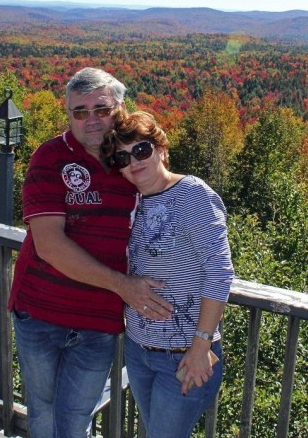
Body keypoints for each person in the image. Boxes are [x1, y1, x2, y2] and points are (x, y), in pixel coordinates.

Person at [8, 68, 173, 438]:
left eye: (101, 109)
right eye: (79, 112)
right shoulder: (50, 158)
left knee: (76, 419)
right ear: (68, 116)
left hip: (99, 320)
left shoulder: (133, 161)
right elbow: (49, 245)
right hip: (41, 312)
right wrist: (125, 286)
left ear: (120, 109)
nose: (91, 120)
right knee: (43, 415)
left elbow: (164, 214)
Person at [101, 111, 234, 438]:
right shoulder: (134, 202)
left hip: (184, 357)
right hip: (139, 350)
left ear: (161, 149)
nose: (134, 161)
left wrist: (201, 346)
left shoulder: (192, 195)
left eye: (141, 150)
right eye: (123, 156)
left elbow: (220, 272)